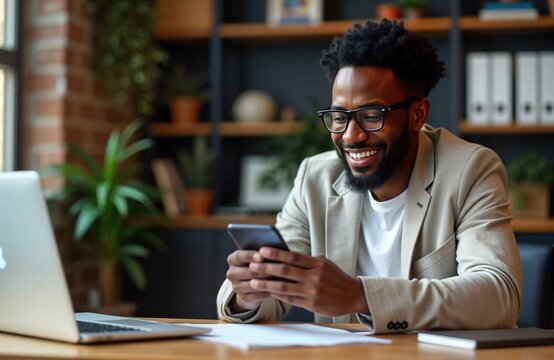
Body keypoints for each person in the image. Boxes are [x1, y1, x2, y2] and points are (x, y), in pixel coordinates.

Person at [216, 19, 522, 334]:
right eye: (339, 117)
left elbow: (499, 295)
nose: (351, 136)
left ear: (417, 114)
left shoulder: (469, 169)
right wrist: (249, 293)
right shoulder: (315, 177)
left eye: (371, 116)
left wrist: (359, 296)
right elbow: (274, 289)